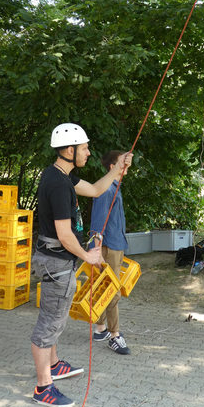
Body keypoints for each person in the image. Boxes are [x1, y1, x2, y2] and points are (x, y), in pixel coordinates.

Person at [31, 123, 129, 407]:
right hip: (56, 263)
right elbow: (64, 235)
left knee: (56, 317)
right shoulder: (59, 185)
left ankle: (55, 364)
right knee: (48, 325)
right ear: (70, 150)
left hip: (56, 262)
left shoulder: (61, 176)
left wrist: (118, 166)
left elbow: (98, 190)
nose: (88, 152)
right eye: (84, 148)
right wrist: (90, 257)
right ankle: (43, 387)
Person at [89, 150, 133, 355]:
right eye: (121, 164)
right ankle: (114, 335)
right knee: (111, 289)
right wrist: (96, 250)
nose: (126, 168)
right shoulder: (107, 190)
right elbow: (98, 223)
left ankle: (100, 329)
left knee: (105, 286)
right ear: (111, 168)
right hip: (109, 247)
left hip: (116, 244)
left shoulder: (115, 187)